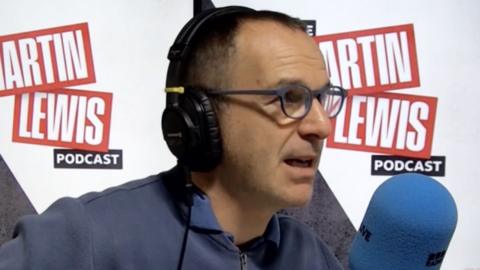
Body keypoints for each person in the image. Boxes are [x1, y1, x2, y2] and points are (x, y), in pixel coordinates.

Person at [0, 6, 346, 270]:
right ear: (200, 115)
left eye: (321, 98)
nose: (321, 126)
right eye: (289, 97)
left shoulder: (310, 255)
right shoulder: (87, 235)